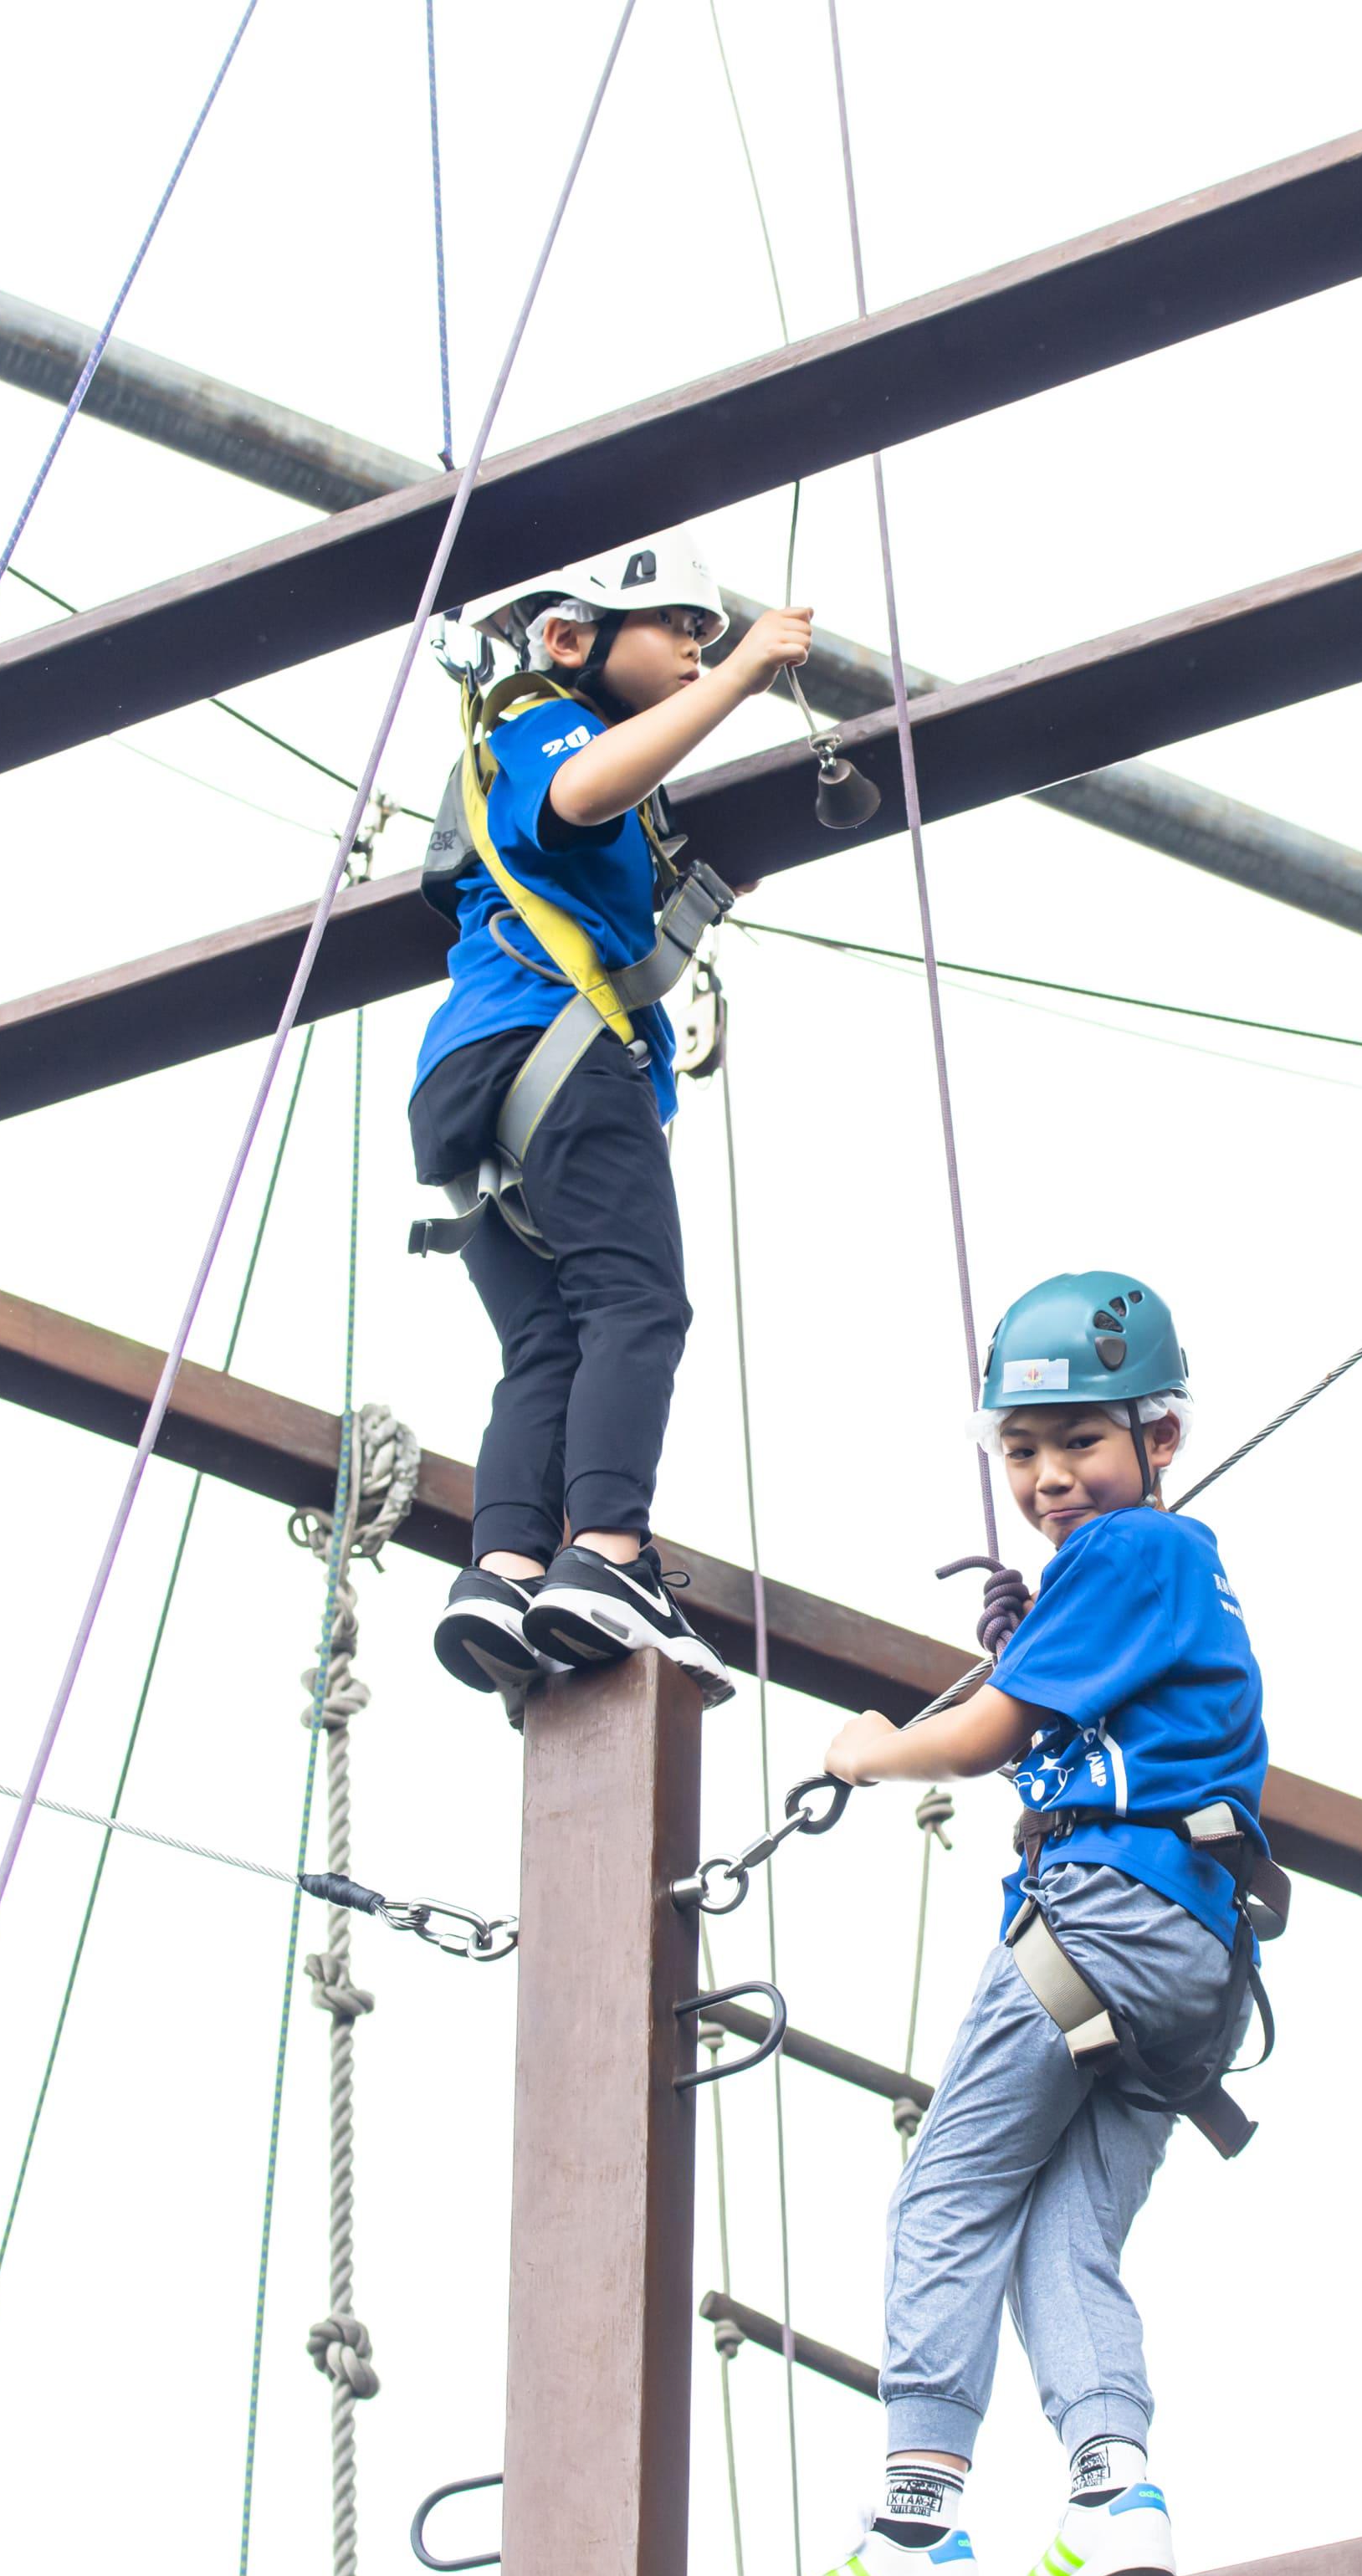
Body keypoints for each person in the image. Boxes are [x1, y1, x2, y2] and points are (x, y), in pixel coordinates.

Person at [719, 1273, 1275, 2576]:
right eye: (1021, 1451)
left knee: (947, 2191)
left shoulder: (1139, 1551)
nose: (1049, 1477)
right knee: (1061, 2235)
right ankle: (1113, 2491)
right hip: (1194, 1963)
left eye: (1079, 1441)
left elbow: (982, 1734)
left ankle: (916, 2524)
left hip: (1105, 1913)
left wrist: (869, 1746)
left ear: (1161, 1434)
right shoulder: (1148, 1578)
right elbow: (1054, 1697)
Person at [408, 535, 810, 1712]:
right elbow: (585, 792)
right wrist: (745, 677)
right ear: (576, 640)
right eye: (678, 631)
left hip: (479, 1082)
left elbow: (599, 862)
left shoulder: (557, 758)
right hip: (559, 1059)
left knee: (549, 1344)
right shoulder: (540, 724)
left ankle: (506, 1565)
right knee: (639, 1303)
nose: (698, 651)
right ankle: (610, 1556)